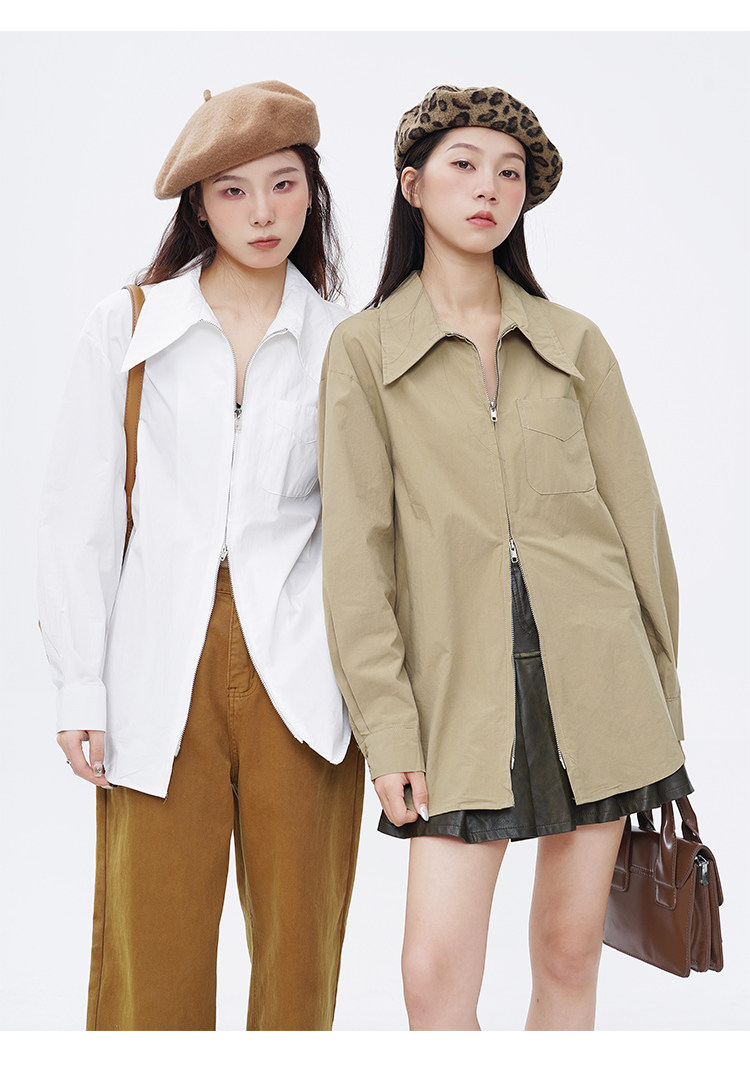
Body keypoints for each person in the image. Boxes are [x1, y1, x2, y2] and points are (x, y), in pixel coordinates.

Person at [317, 84, 692, 1031]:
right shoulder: (364, 352)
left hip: (600, 681)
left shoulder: (574, 344)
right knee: (433, 976)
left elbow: (640, 528)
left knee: (568, 951)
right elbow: (357, 560)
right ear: (413, 187)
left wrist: (662, 702)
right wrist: (389, 732)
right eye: (464, 165)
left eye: (510, 173)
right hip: (455, 696)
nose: (489, 187)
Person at [38, 80, 365, 1031]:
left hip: (303, 675)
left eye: (283, 184)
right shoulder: (130, 326)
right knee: (152, 966)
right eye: (233, 190)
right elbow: (78, 516)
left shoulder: (345, 345)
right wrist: (80, 685)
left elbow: (365, 533)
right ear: (199, 204)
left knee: (299, 971)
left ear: (313, 192)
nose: (262, 213)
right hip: (156, 670)